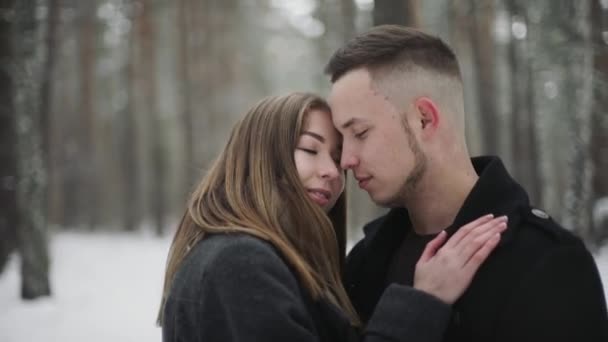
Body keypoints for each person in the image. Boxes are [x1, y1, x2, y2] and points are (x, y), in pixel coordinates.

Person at [324, 25, 608, 341]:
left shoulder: (548, 263)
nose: (346, 160)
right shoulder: (365, 262)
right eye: (342, 141)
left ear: (424, 119)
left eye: (360, 133)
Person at [157, 92, 508, 342]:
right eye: (310, 149)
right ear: (258, 156)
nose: (332, 171)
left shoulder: (243, 257)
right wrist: (423, 301)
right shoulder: (239, 263)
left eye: (336, 157)